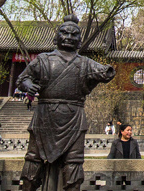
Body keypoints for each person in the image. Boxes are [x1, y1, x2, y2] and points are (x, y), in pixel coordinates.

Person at [15, 14, 116, 191]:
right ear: (57, 37)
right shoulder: (43, 59)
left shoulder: (85, 63)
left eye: (73, 34)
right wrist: (29, 85)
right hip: (45, 115)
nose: (68, 37)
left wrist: (105, 72)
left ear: (79, 40)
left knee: (74, 162)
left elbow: (106, 72)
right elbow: (23, 79)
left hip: (73, 116)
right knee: (33, 158)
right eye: (64, 33)